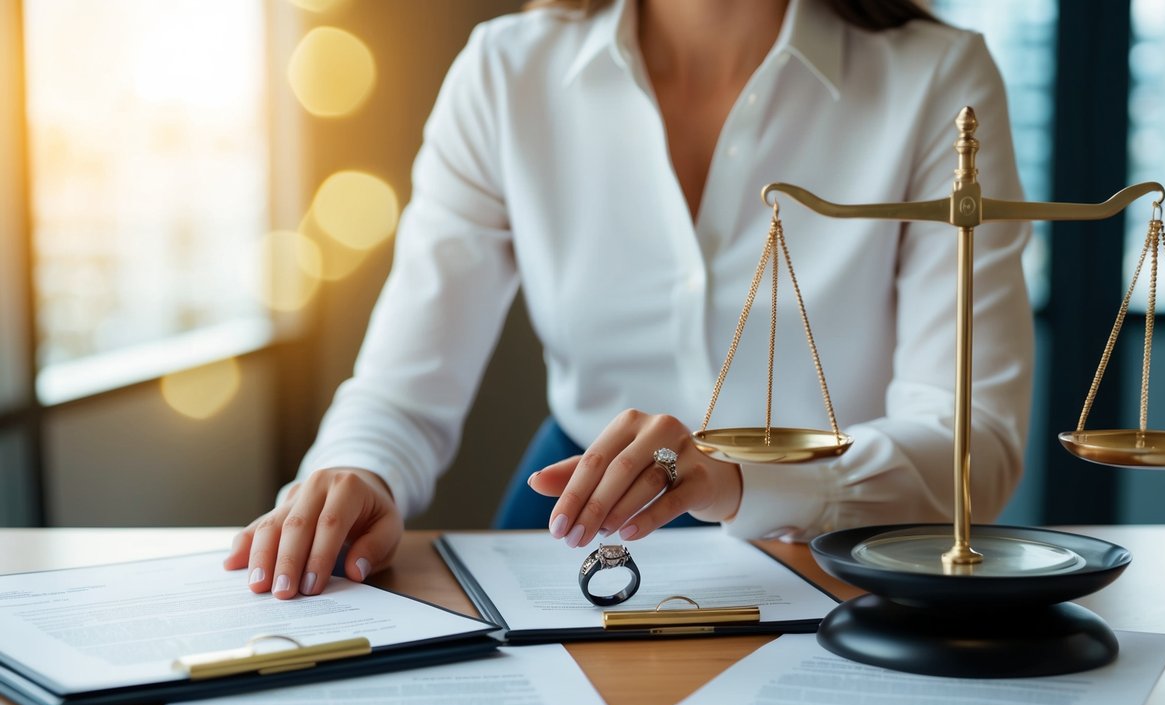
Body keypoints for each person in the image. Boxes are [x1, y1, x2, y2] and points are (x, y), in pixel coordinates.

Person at [225, 0, 1034, 599]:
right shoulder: (506, 72)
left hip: (829, 550)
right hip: (572, 532)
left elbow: (974, 445)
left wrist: (736, 477)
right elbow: (403, 391)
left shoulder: (938, 78)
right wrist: (357, 469)